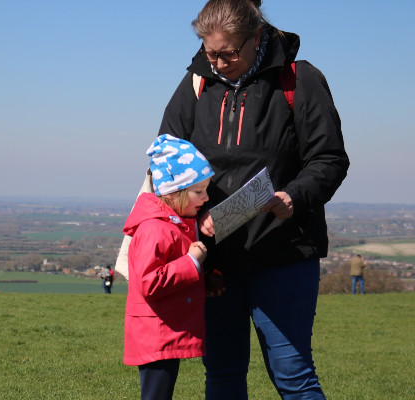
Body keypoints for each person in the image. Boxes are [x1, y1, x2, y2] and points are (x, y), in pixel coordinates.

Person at [158, 1, 350, 399]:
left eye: (230, 52)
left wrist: (294, 196)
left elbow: (329, 159)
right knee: (223, 375)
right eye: (211, 53)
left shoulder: (300, 79)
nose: (221, 62)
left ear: (257, 36)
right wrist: (198, 212)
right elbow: (166, 161)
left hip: (283, 255)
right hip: (214, 263)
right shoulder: (196, 84)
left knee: (293, 376)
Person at [123, 134, 222, 400]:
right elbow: (149, 282)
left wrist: (205, 277)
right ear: (174, 192)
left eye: (206, 189)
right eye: (198, 191)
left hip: (165, 329)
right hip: (156, 332)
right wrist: (191, 263)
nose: (206, 197)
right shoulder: (155, 228)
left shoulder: (175, 224)